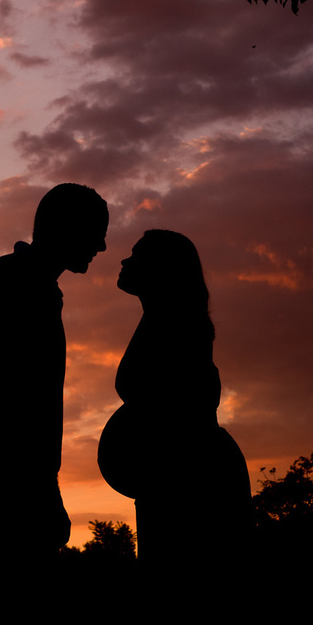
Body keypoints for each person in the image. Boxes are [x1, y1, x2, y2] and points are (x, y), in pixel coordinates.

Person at [0, 183, 109, 573]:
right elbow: (11, 395)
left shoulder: (21, 281)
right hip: (0, 481)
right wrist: (39, 489)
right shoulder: (21, 284)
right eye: (96, 231)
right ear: (67, 227)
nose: (101, 246)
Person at [98, 230, 251, 568]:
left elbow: (179, 414)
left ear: (160, 268)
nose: (124, 260)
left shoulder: (178, 331)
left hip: (188, 486)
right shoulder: (162, 322)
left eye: (136, 255)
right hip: (166, 482)